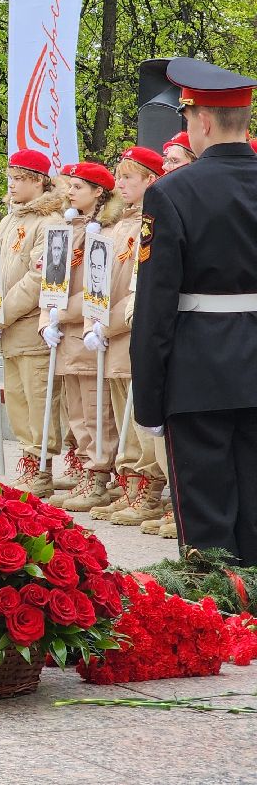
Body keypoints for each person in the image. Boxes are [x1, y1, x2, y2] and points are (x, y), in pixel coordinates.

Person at [133, 57, 257, 564]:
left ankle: (222, 628)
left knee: (207, 528)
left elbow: (156, 308)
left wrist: (149, 401)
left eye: (186, 118)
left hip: (198, 377)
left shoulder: (170, 193)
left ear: (202, 121)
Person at [86, 146, 167, 528]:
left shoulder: (150, 224)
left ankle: (148, 490)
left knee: (140, 415)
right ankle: (129, 482)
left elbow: (139, 288)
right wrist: (93, 320)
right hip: (112, 333)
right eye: (118, 176)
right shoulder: (118, 225)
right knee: (122, 409)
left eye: (129, 177)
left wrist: (112, 322)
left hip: (131, 328)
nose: (120, 184)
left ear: (151, 179)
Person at [0, 149, 67, 495]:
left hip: (30, 326)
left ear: (38, 182)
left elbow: (38, 280)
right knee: (16, 399)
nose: (12, 185)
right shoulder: (9, 220)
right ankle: (27, 460)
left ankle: (41, 468)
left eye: (19, 179)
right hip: (8, 328)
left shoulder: (50, 223)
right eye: (10, 178)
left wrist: (1, 316)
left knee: (38, 402)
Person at [46, 161, 122, 511]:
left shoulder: (105, 231)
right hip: (67, 335)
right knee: (76, 413)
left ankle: (99, 479)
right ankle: (87, 474)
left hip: (88, 330)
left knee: (96, 413)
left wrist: (62, 312)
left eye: (79, 187)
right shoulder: (68, 227)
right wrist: (49, 315)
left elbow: (97, 289)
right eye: (70, 186)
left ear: (98, 192)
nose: (70, 192)